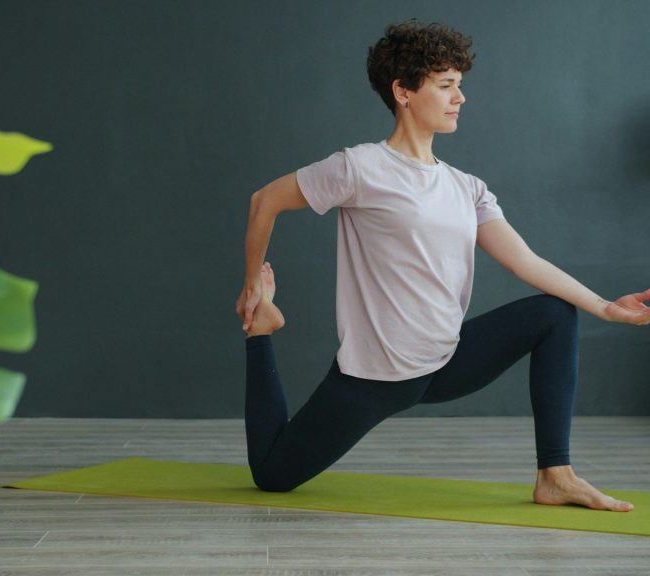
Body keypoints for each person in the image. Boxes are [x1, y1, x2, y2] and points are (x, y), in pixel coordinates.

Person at [236, 21, 649, 511]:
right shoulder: (360, 168)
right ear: (403, 91)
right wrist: (251, 289)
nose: (460, 98)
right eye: (446, 85)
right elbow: (264, 201)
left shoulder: (466, 186)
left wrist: (607, 308)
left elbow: (524, 260)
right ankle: (260, 331)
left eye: (460, 85)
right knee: (272, 476)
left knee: (555, 315)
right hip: (376, 378)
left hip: (446, 362)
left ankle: (555, 475)